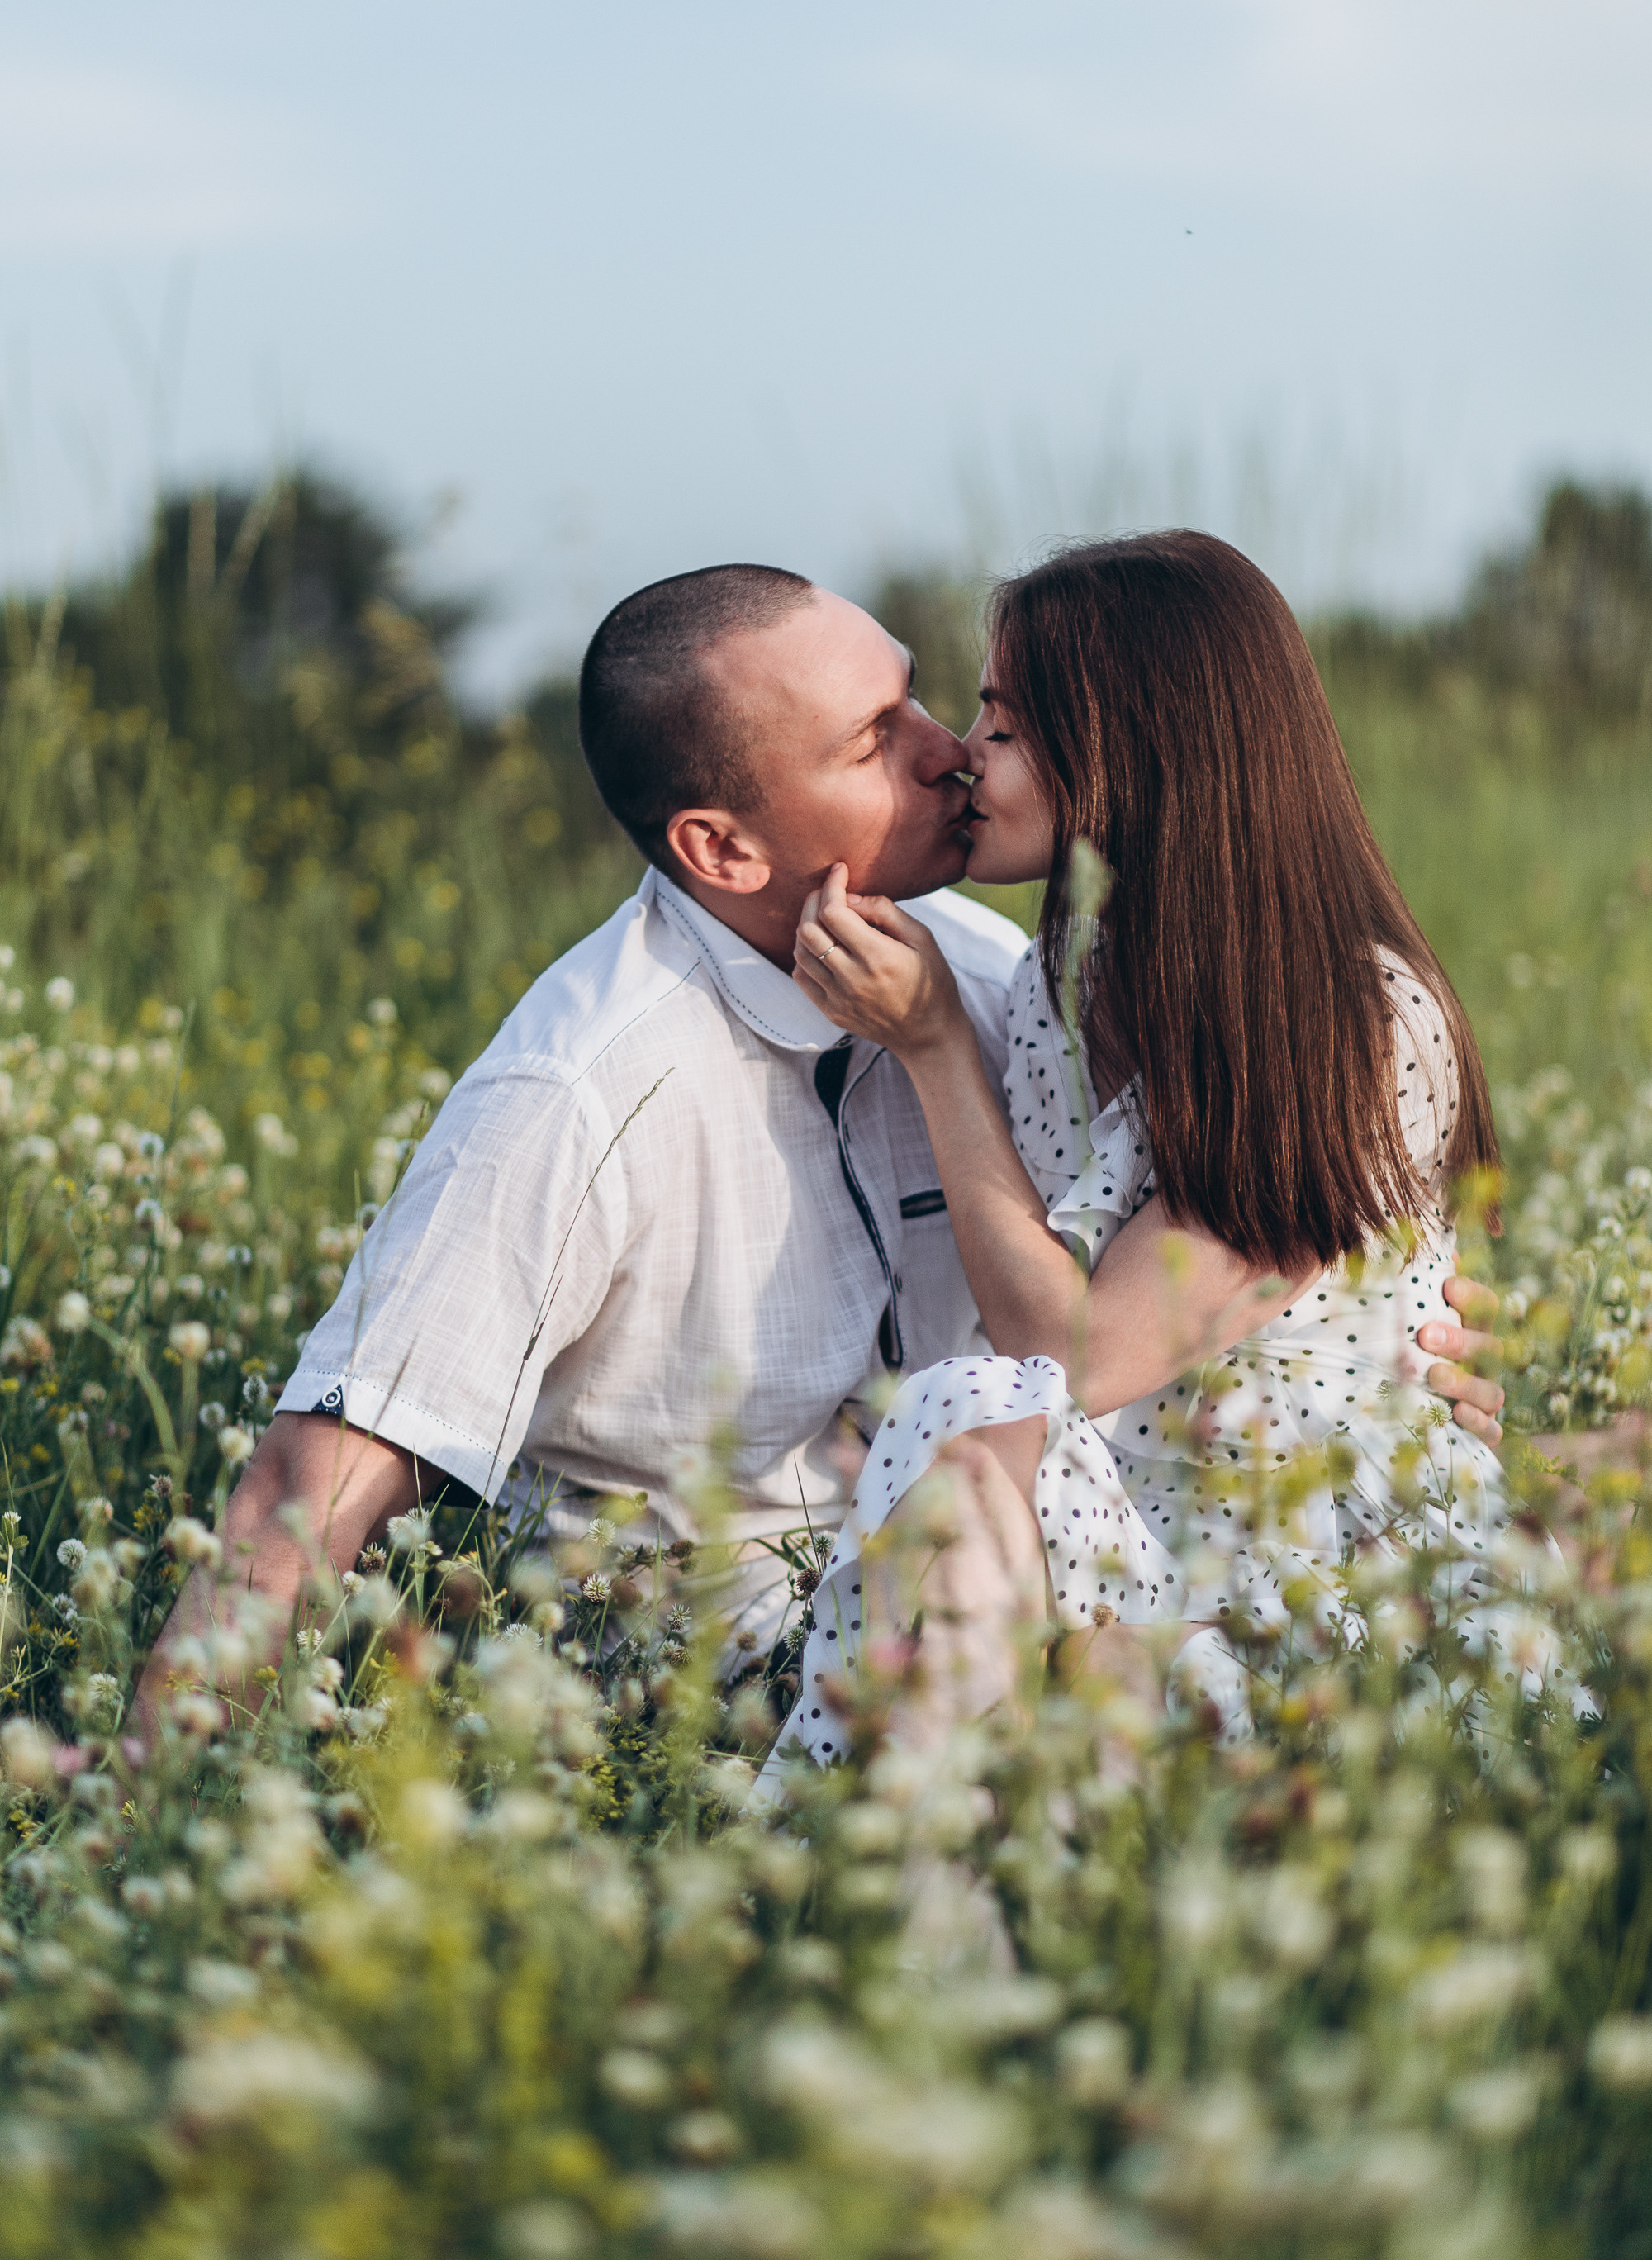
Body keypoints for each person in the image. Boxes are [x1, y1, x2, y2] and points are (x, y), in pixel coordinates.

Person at [133, 559, 1505, 1736]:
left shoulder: (988, 979)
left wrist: (1375, 1352)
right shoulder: (579, 1093)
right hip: (733, 1684)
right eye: (874, 740)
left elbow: (1223, 1257)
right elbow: (303, 1498)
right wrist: (144, 1842)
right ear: (723, 849)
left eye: (931, 698)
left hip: (1036, 1583)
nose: (946, 752)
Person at [762, 532, 1525, 1778]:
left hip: (1319, 1565)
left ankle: (869, 1885)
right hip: (1131, 1524)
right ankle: (897, 1896)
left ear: (1123, 751)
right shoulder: (1061, 986)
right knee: (963, 1477)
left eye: (1000, 726)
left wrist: (935, 1050)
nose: (960, 755)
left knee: (980, 1455)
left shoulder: (1354, 1022)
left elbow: (1079, 1354)